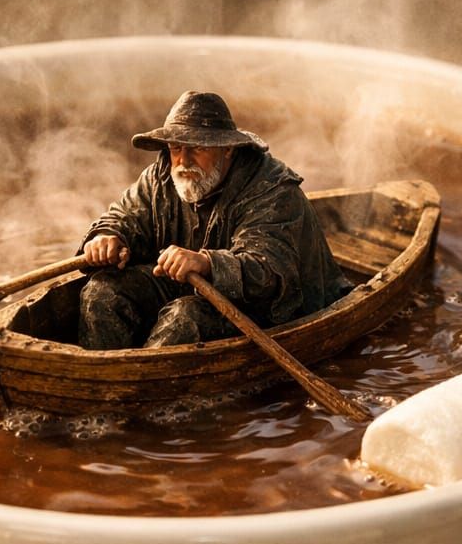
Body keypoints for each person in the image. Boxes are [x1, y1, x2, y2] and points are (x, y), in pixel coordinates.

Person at [77, 91, 351, 350]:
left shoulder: (272, 188)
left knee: (185, 318)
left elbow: (269, 272)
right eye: (176, 147)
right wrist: (107, 236)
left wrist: (207, 263)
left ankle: (141, 389)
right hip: (192, 288)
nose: (183, 161)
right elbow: (124, 216)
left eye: (197, 148)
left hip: (276, 307)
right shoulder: (159, 176)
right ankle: (102, 381)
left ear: (227, 149)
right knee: (102, 292)